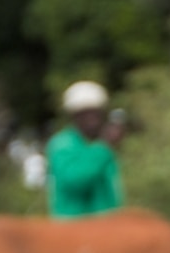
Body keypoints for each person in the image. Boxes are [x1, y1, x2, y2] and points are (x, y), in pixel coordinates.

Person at [46, 80, 124, 217]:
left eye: (95, 113)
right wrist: (103, 148)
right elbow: (75, 180)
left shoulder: (99, 144)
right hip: (73, 228)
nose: (92, 119)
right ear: (74, 116)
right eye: (84, 114)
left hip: (106, 227)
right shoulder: (62, 144)